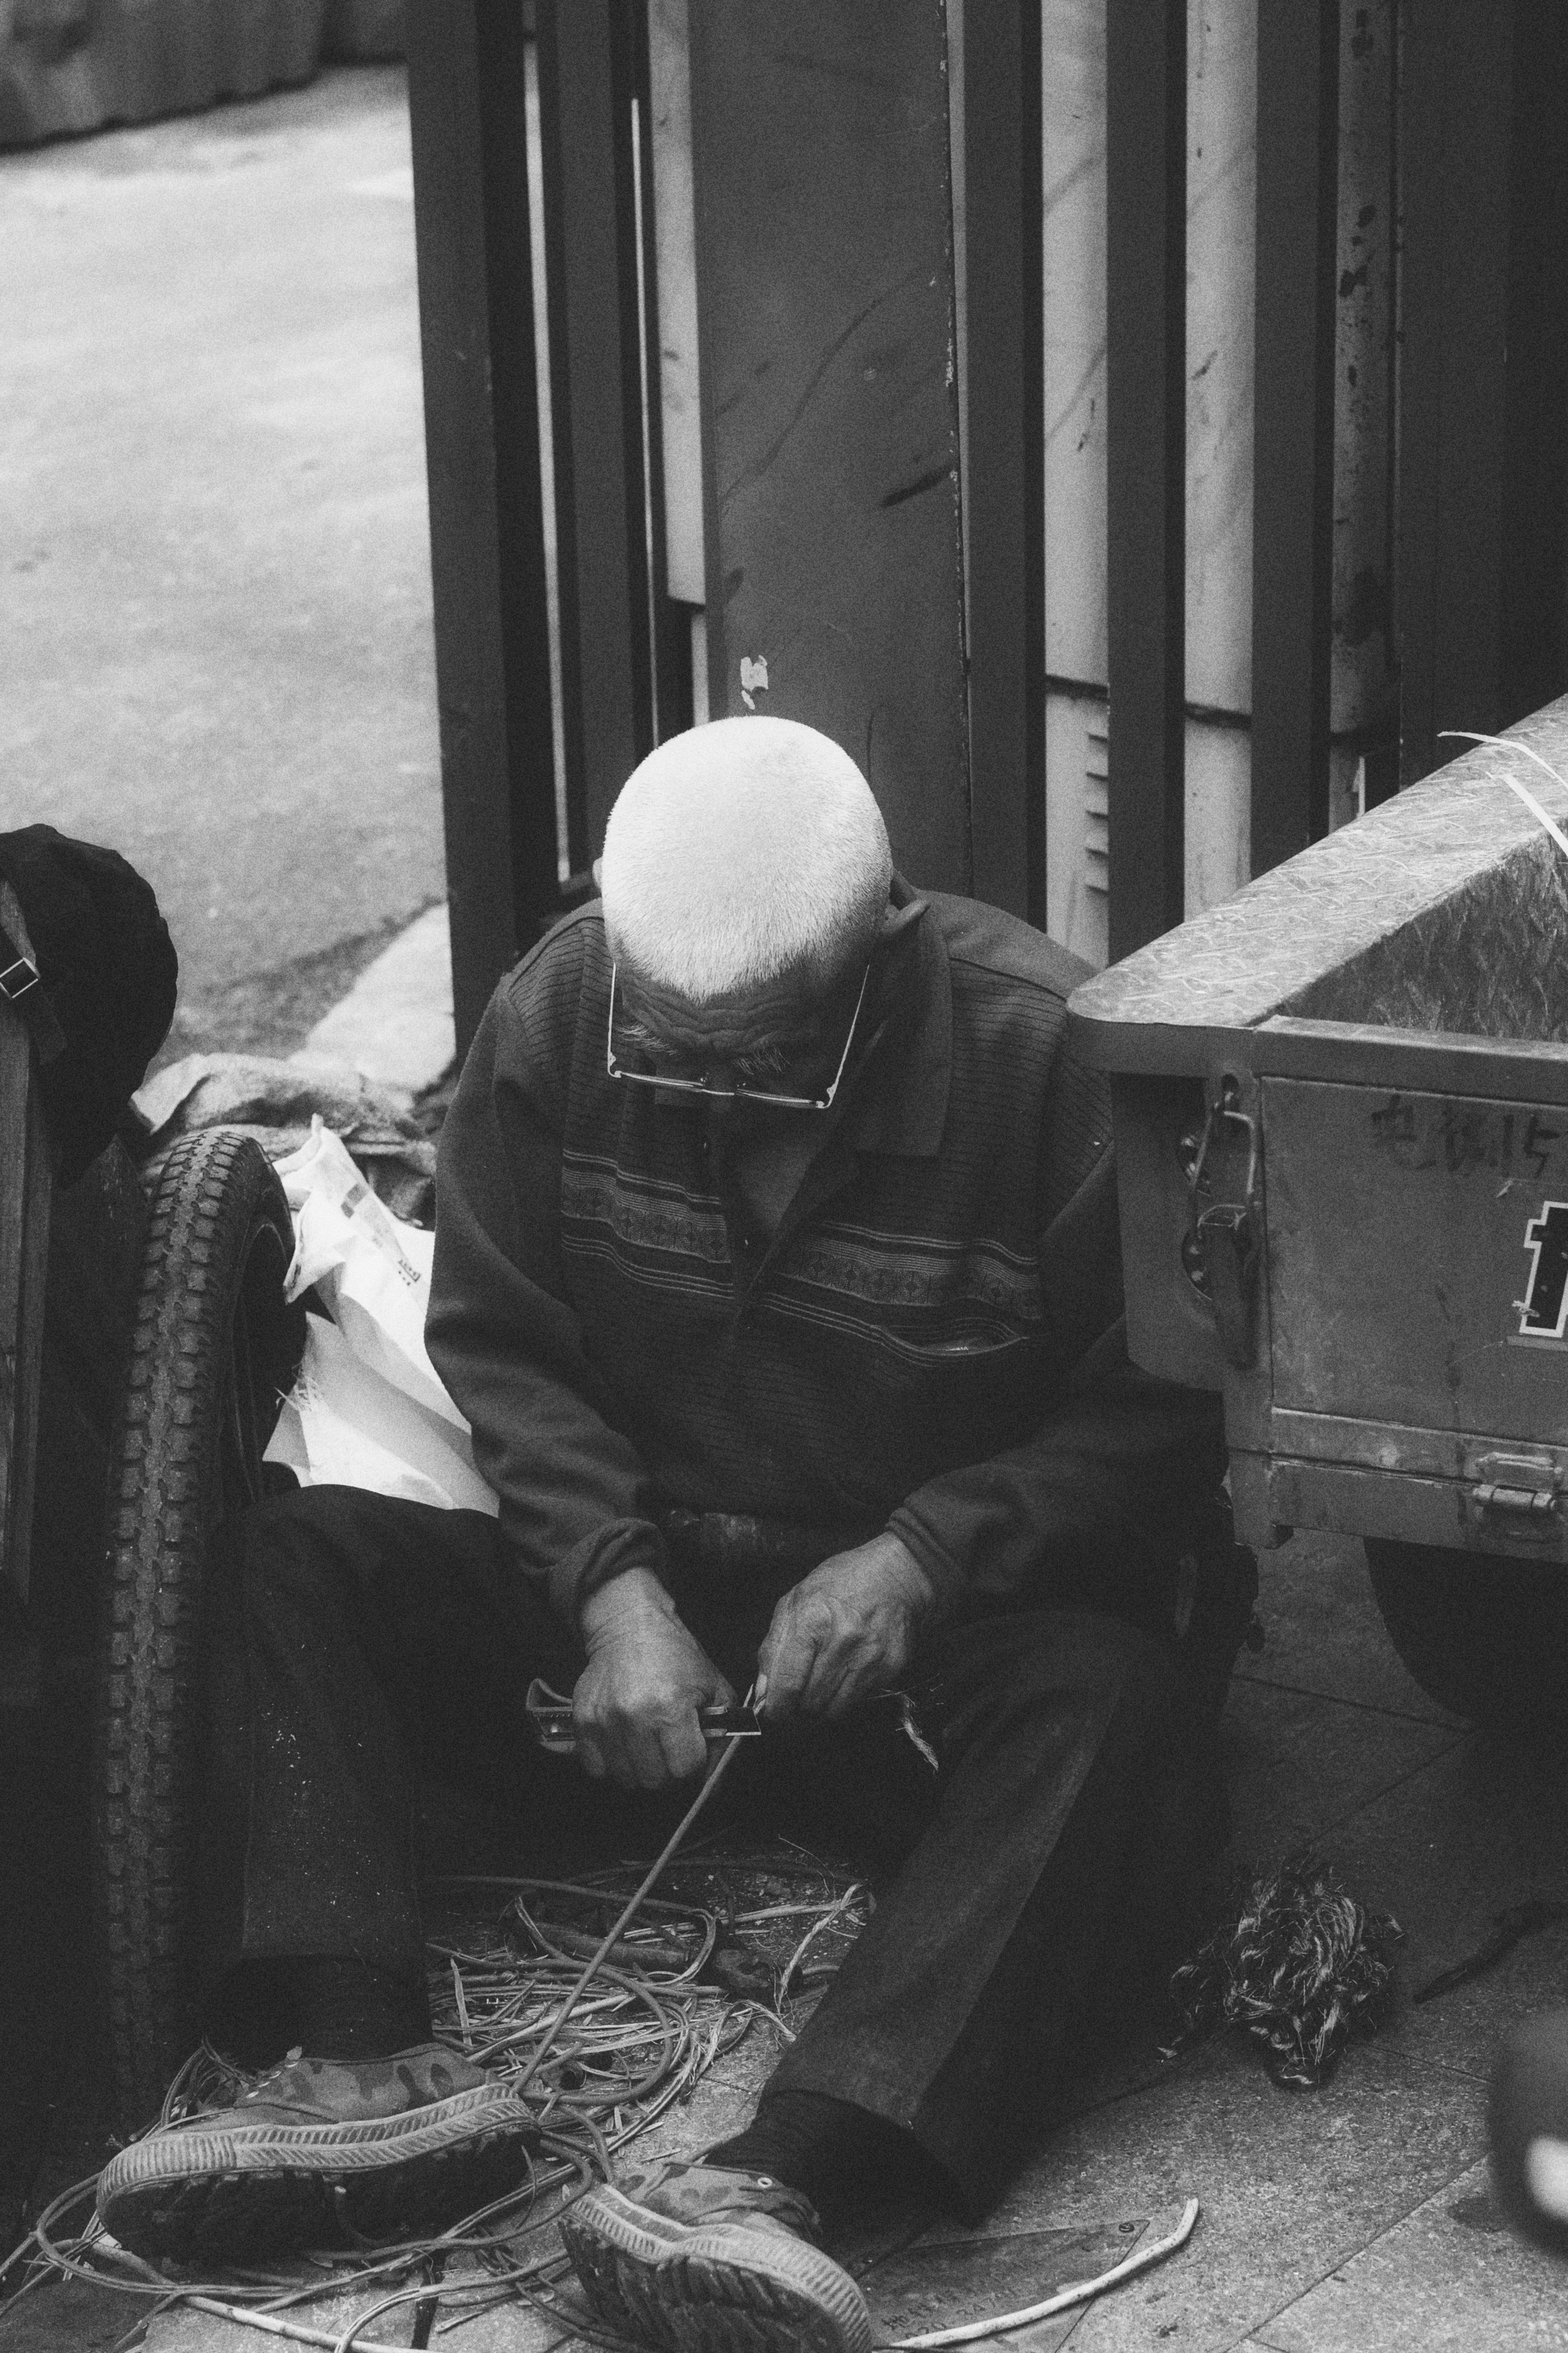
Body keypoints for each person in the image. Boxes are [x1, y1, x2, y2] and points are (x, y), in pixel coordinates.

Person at [96, 717, 1247, 2351]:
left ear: (881, 956)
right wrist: (610, 1586)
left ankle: (780, 2181)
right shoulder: (561, 1007)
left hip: (910, 1664)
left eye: (755, 1049)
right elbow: (504, 1338)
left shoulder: (1052, 1061)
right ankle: (363, 2055)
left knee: (1123, 1713)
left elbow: (1165, 1413)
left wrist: (931, 1550)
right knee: (302, 1562)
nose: (700, 1083)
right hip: (655, 1644)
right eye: (670, 1042)